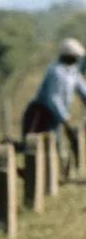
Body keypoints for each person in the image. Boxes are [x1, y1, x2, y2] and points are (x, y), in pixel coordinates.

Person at [21, 37, 86, 168]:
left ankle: (62, 171)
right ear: (68, 56)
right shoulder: (56, 71)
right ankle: (32, 172)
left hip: (55, 117)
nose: (77, 59)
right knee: (36, 147)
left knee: (56, 145)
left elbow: (83, 91)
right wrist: (66, 120)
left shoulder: (73, 72)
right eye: (75, 56)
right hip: (41, 114)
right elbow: (53, 99)